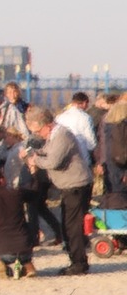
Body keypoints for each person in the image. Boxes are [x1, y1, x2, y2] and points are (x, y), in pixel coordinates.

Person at [24, 105, 94, 275]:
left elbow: (53, 161)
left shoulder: (62, 134)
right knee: (67, 224)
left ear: (47, 125)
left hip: (76, 185)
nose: (38, 134)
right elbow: (46, 152)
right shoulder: (54, 135)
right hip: (69, 185)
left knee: (73, 226)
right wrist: (34, 153)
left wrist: (35, 161)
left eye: (38, 130)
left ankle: (79, 263)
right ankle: (75, 260)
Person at [56, 92, 97, 168]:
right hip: (81, 158)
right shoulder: (85, 117)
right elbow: (91, 143)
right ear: (85, 103)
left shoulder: (60, 117)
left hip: (64, 158)